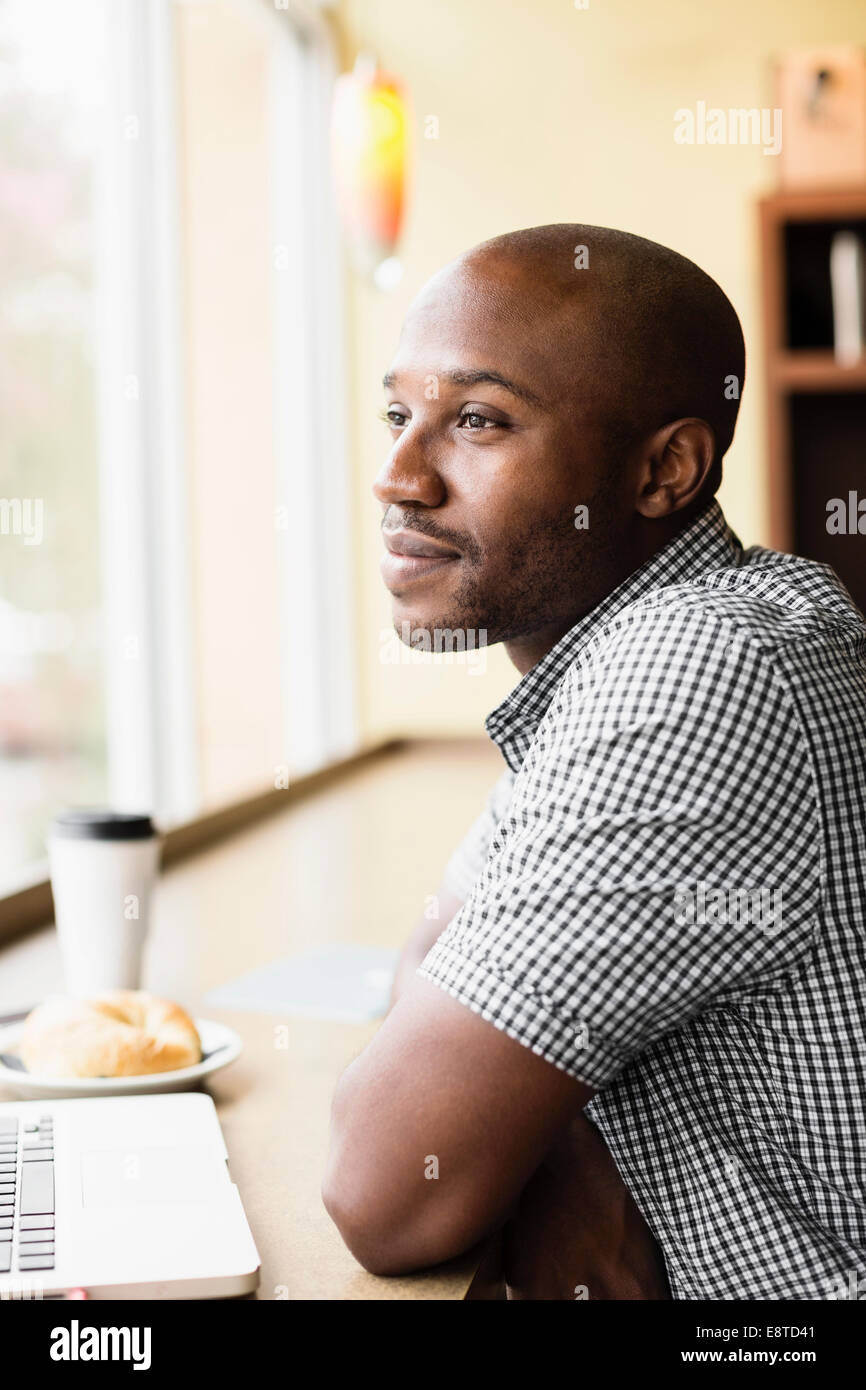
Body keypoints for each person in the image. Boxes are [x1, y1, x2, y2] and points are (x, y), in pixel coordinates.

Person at [322, 224, 866, 1300]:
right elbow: (446, 941)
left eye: (475, 420)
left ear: (664, 469)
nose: (395, 476)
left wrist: (511, 1114)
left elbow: (382, 1187)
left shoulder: (696, 664)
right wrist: (561, 1129)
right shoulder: (688, 630)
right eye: (398, 414)